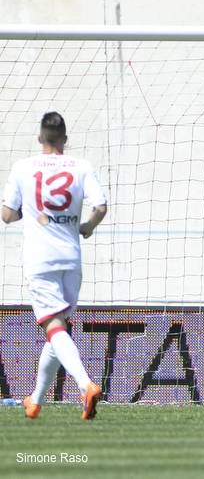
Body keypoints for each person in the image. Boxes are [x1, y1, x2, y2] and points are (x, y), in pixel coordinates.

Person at [2, 111, 107, 420]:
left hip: (40, 258)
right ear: (64, 139)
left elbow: (7, 215)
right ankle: (34, 401)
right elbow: (101, 207)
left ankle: (86, 384)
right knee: (57, 330)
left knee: (54, 328)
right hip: (71, 259)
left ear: (40, 138)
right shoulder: (81, 166)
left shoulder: (23, 167)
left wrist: (27, 213)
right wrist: (87, 226)